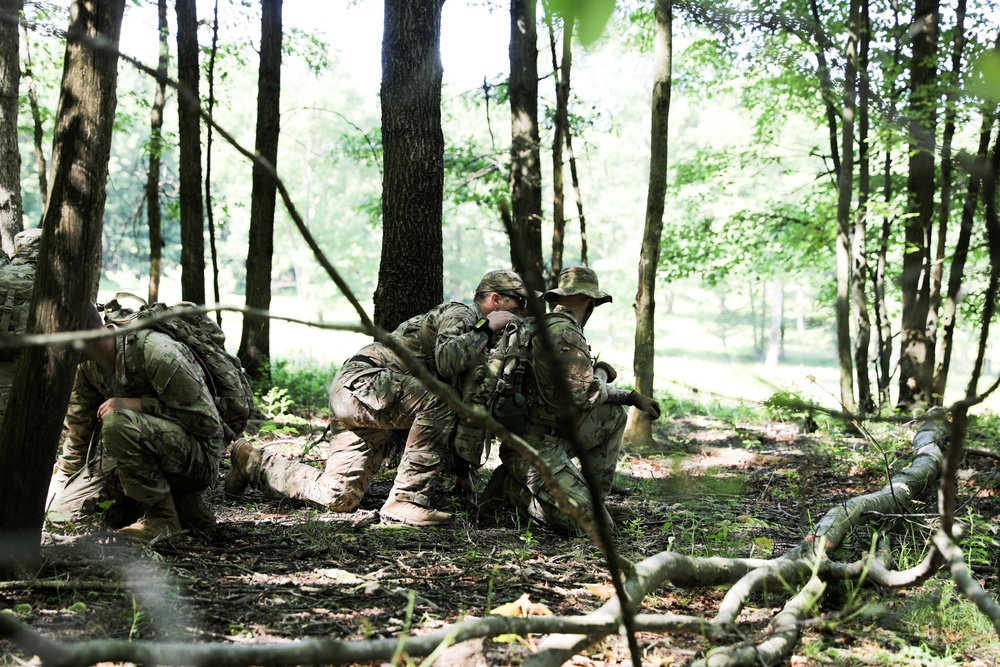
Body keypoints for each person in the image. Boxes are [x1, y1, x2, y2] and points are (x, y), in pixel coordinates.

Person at [224, 270, 532, 526]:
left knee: (338, 497)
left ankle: (250, 460)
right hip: (365, 383)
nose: (519, 314)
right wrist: (488, 327)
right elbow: (447, 361)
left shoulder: (475, 334)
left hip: (365, 396)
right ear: (495, 299)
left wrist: (461, 472)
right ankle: (406, 500)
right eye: (517, 306)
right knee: (439, 399)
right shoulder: (462, 314)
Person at [480, 266, 661, 535]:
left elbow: (564, 391)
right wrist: (601, 371)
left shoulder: (535, 326)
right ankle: (513, 489)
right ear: (590, 302)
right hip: (537, 446)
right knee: (597, 529)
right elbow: (587, 396)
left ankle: (592, 501)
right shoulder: (566, 334)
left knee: (613, 415)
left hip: (539, 437)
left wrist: (629, 397)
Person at [46, 303, 225, 540]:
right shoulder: (87, 367)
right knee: (62, 512)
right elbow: (79, 434)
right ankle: (183, 508)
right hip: (139, 455)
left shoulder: (158, 352)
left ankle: (162, 519)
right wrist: (59, 484)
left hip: (196, 460)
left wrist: (138, 405)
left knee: (118, 422)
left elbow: (208, 423)